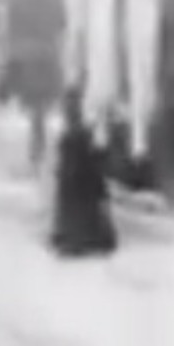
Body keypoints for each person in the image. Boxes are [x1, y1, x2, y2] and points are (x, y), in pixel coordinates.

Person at [50, 88, 117, 257]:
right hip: (83, 185)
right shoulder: (79, 135)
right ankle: (80, 237)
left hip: (77, 184)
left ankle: (74, 237)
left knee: (74, 203)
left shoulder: (73, 136)